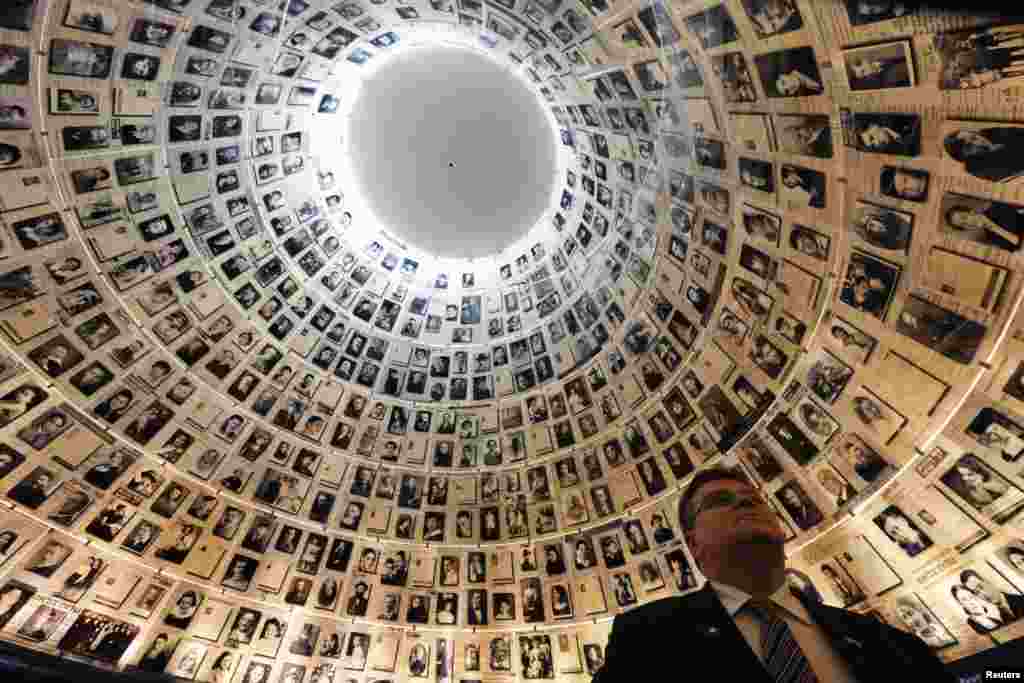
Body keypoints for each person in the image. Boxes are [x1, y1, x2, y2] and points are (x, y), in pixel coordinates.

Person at [592, 467, 954, 683]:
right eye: (720, 501)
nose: (745, 502)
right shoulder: (648, 638)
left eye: (754, 498)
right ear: (693, 544)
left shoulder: (887, 641)